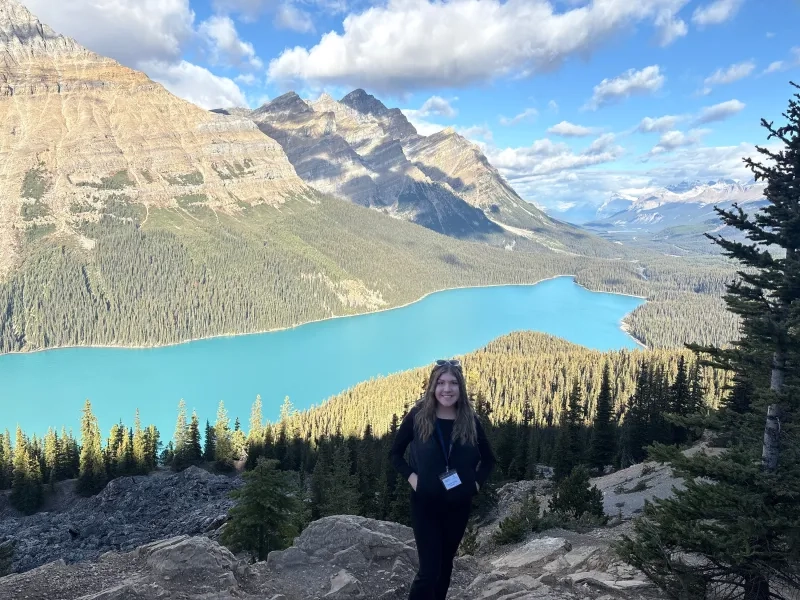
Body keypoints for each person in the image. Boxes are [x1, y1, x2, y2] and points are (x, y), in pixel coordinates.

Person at [390, 359, 496, 600]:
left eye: (453, 383)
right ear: (432, 387)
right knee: (429, 572)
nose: (447, 389)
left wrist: (475, 485)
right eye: (441, 383)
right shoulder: (418, 416)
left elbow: (489, 460)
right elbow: (394, 454)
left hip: (458, 507)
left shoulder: (470, 420)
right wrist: (413, 478)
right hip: (425, 505)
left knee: (445, 566)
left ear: (461, 388)